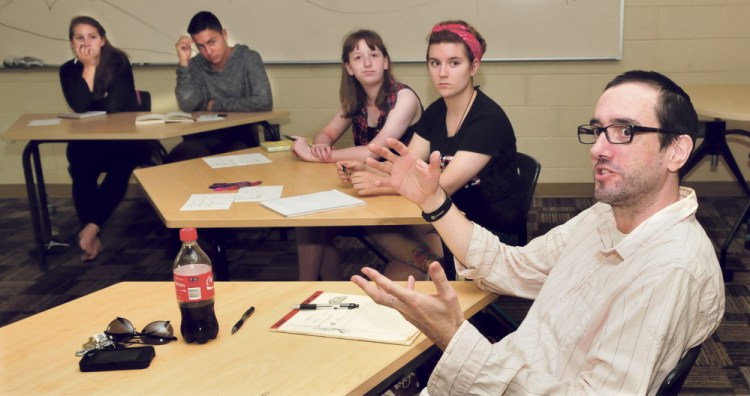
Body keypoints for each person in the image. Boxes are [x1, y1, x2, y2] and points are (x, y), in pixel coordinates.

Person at [352, 70, 726, 394]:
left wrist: (454, 338)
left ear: (676, 151)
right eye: (597, 131)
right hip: (511, 372)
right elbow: (512, 266)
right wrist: (434, 199)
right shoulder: (605, 216)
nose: (597, 148)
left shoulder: (670, 269)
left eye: (623, 131)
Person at [340, 20, 522, 279]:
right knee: (376, 231)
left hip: (488, 236)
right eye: (435, 63)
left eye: (454, 63)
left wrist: (379, 184)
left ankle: (437, 269)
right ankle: (434, 266)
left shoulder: (487, 120)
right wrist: (366, 169)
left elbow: (440, 186)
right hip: (446, 220)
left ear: (474, 67)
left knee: (394, 275)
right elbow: (407, 165)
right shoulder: (438, 110)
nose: (442, 73)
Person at [290, 29, 439, 281]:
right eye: (358, 57)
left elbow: (377, 149)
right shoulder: (356, 100)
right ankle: (314, 291)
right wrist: (321, 145)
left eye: (374, 54)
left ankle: (434, 262)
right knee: (309, 221)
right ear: (348, 67)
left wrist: (317, 156)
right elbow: (327, 133)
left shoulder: (404, 97)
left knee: (326, 223)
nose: (367, 63)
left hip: (403, 193)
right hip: (370, 187)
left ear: (386, 62)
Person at [59, 16, 154, 261]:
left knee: (120, 166)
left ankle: (90, 228)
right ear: (72, 43)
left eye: (92, 37)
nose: (86, 43)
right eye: (79, 38)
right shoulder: (68, 70)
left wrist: (91, 70)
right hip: (90, 140)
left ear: (102, 40)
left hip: (125, 139)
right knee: (80, 165)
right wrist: (88, 68)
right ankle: (93, 232)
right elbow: (80, 105)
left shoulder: (119, 62)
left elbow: (114, 106)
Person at [168, 11, 272, 162]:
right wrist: (184, 63)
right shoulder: (196, 64)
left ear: (224, 35)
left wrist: (217, 105)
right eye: (201, 46)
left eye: (212, 42)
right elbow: (188, 104)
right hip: (201, 137)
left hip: (238, 137)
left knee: (231, 160)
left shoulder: (248, 58)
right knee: (178, 159)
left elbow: (264, 102)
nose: (208, 52)